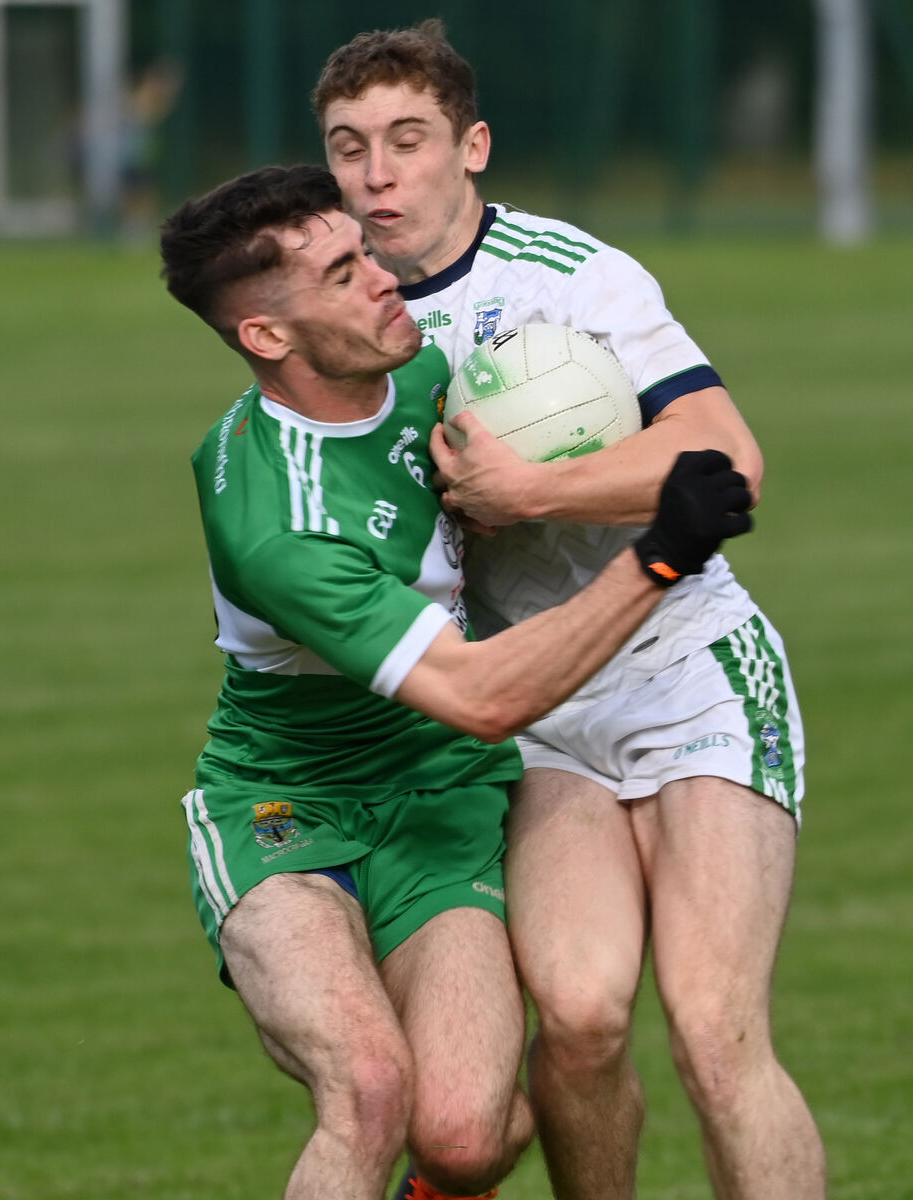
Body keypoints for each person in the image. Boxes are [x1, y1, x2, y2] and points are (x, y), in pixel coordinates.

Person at [159, 163, 752, 1200]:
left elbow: (639, 445)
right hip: (285, 808)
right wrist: (659, 553)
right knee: (374, 1092)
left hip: (438, 797)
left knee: (469, 1139)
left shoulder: (442, 374)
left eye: (363, 249)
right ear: (266, 336)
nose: (384, 278)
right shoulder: (275, 523)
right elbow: (484, 696)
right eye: (342, 275)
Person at [313, 21, 826, 1200]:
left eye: (407, 139)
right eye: (349, 148)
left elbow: (724, 459)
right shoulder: (347, 328)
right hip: (532, 704)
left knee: (712, 1030)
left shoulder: (573, 272)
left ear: (471, 146)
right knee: (584, 1019)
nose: (378, 174)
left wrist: (528, 489)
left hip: (689, 669)